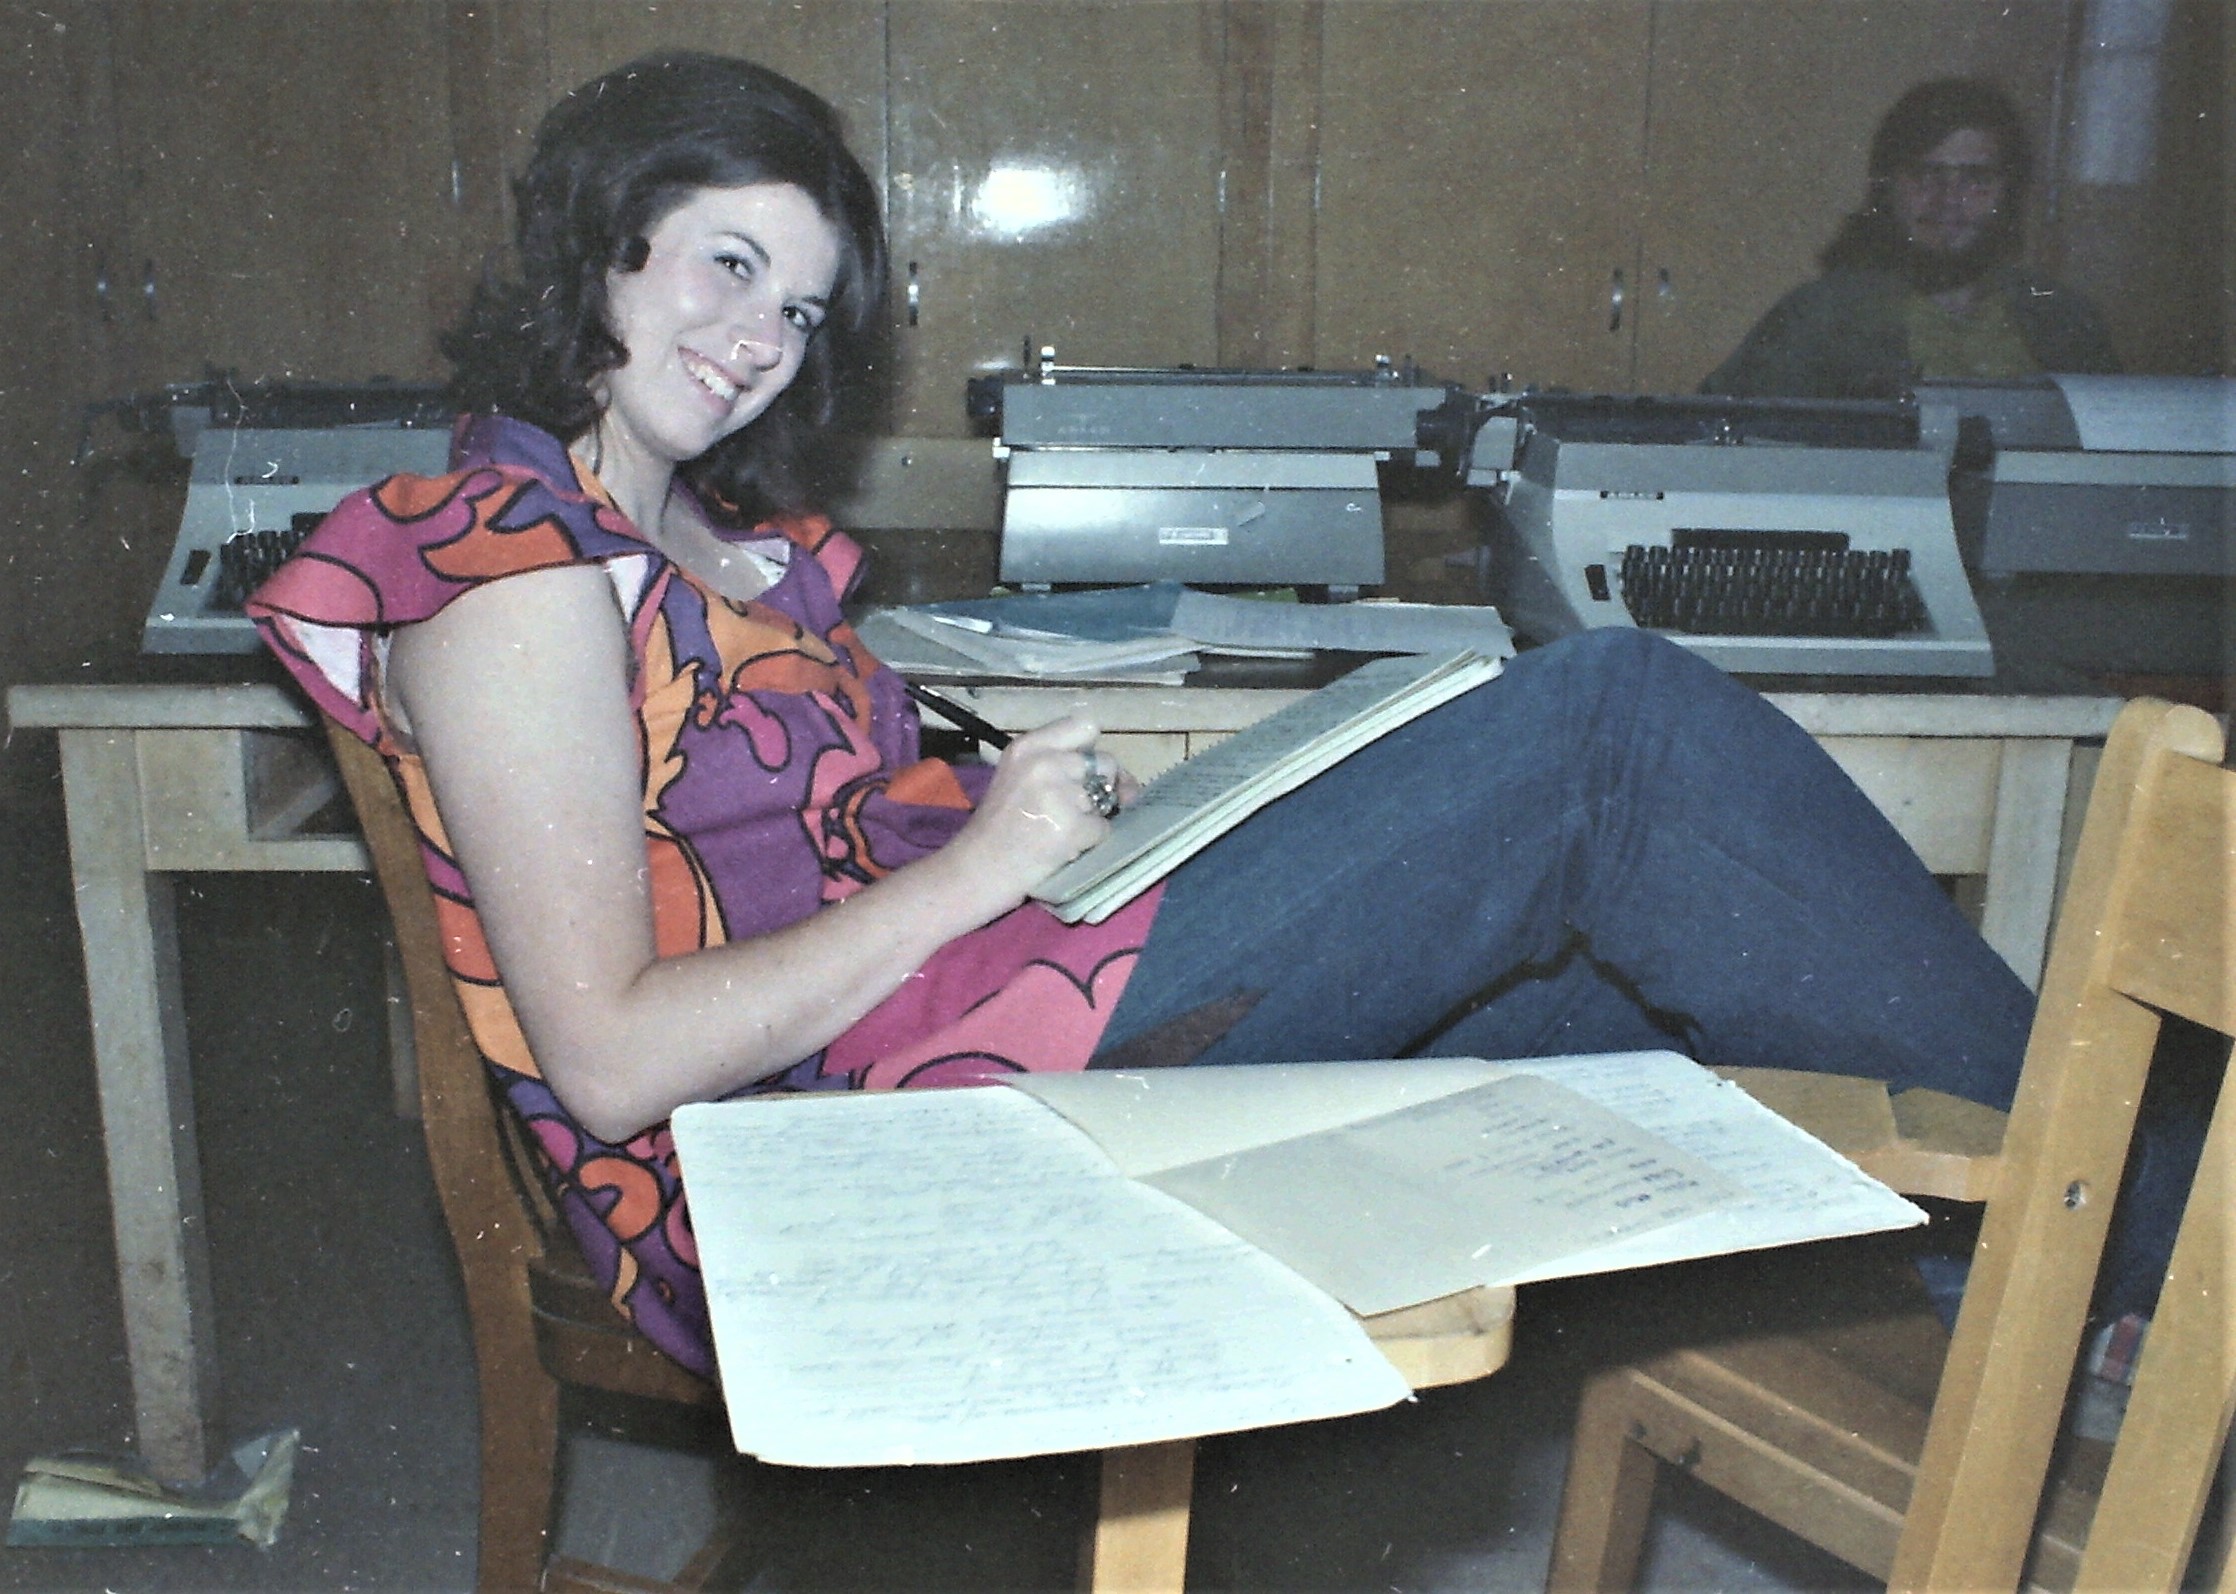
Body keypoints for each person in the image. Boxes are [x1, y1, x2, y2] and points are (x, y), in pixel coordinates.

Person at [253, 52, 2070, 1380]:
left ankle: (2036, 1311)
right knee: (1616, 729)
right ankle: (2114, 1224)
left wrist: (1013, 825)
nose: (762, 337)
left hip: (941, 1023)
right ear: (605, 240)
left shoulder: (689, 540)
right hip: (819, 1150)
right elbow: (609, 1061)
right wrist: (980, 871)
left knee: (1610, 1010)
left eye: (799, 306)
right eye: (727, 264)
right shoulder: (512, 574)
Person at [1703, 78, 2120, 400]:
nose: (1948, 199)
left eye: (1975, 178)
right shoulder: (1818, 317)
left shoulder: (2064, 320)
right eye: (1925, 174)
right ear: (1887, 188)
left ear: (2009, 192)